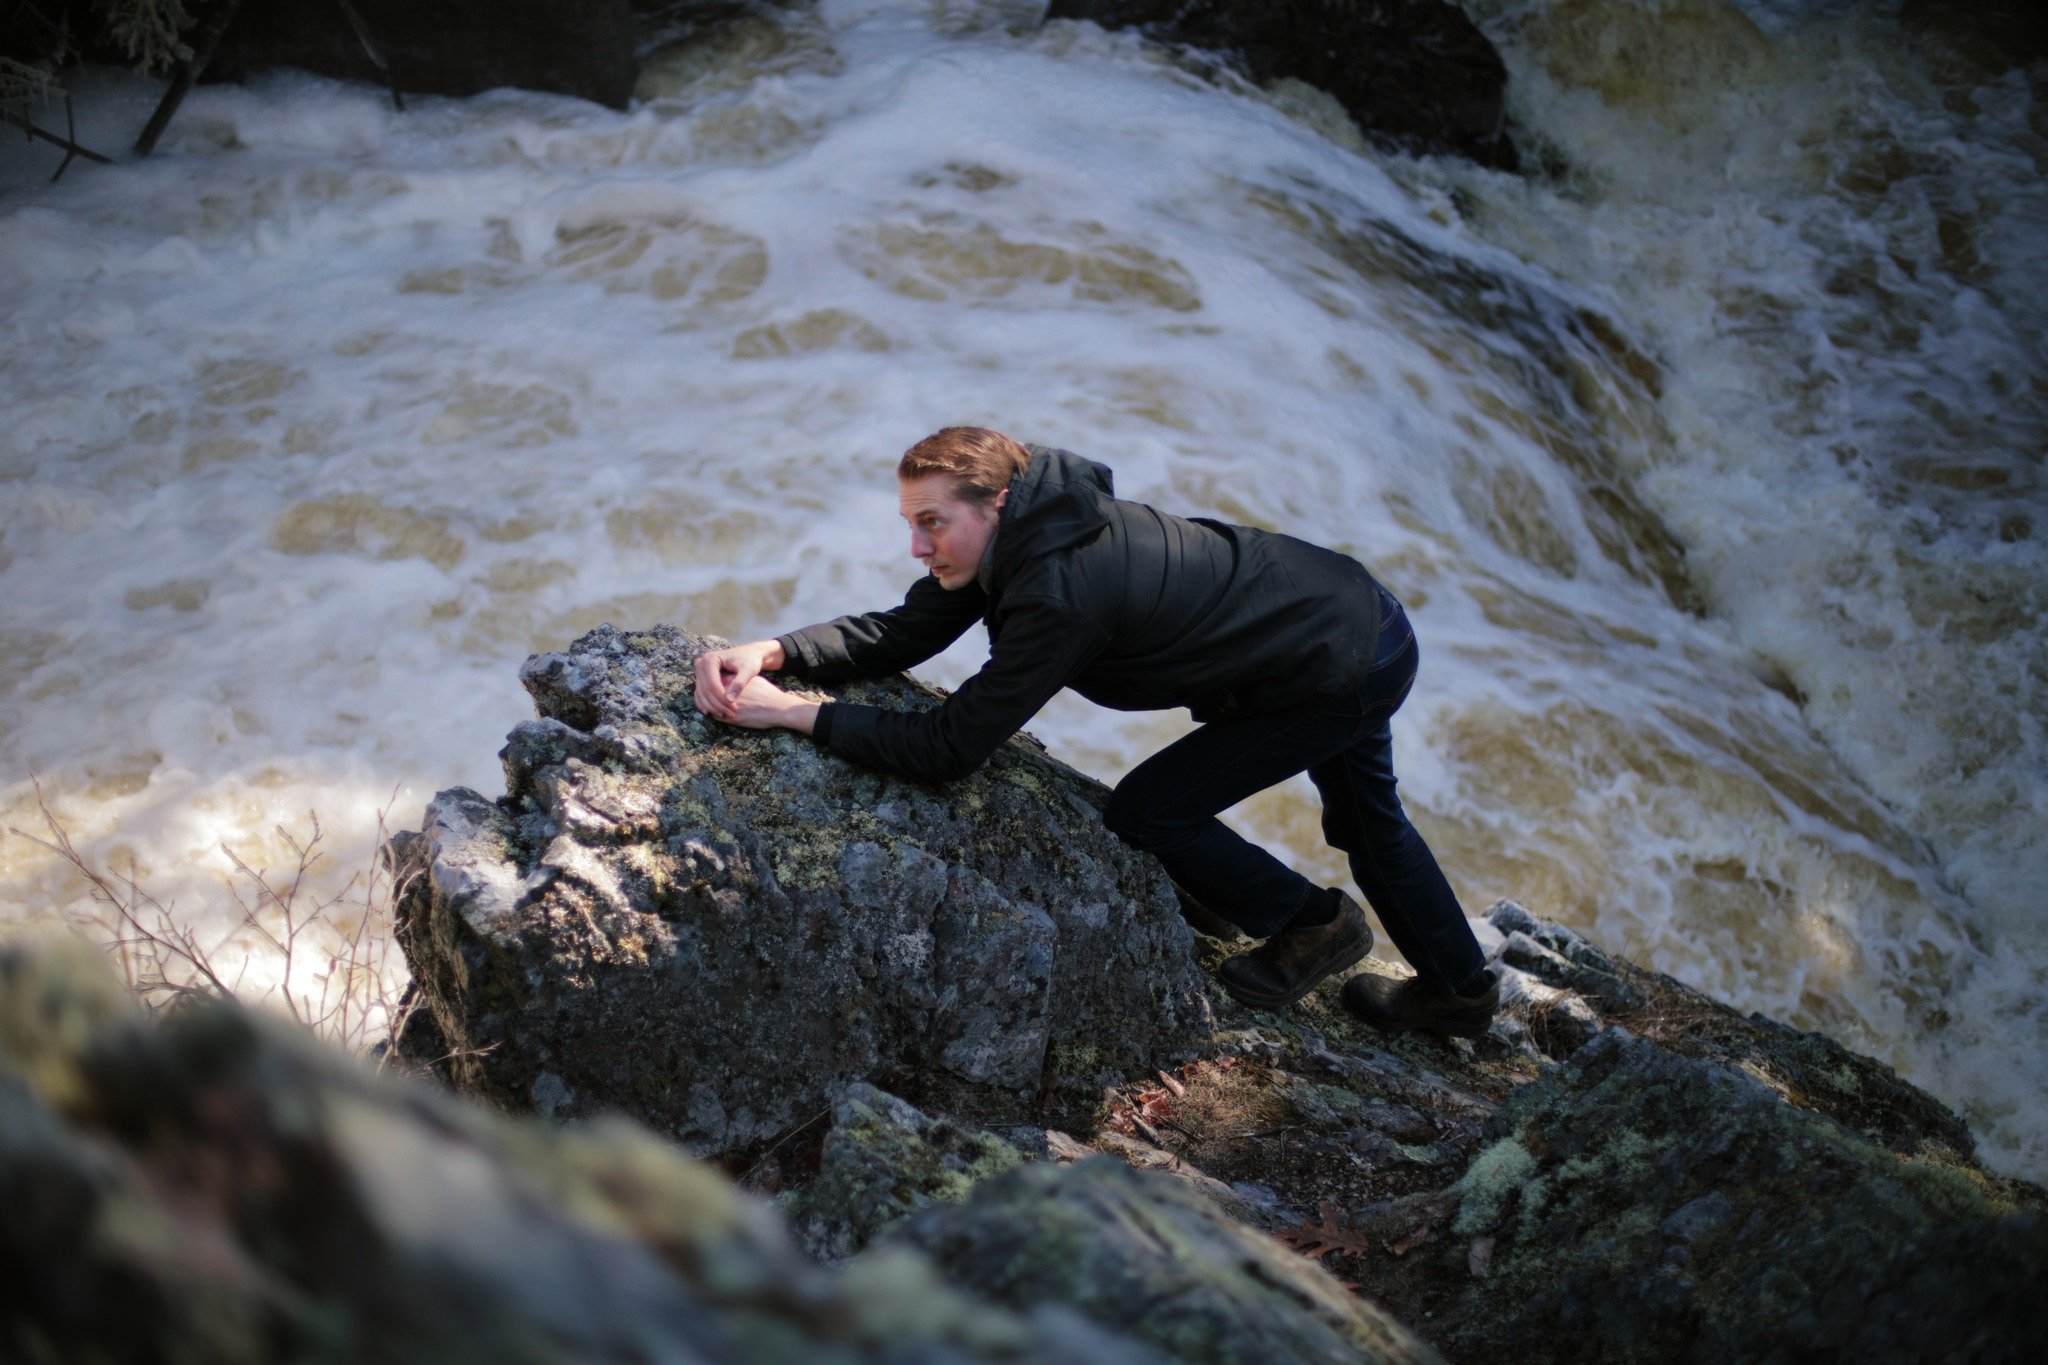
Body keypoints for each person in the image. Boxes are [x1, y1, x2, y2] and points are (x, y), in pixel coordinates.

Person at [692, 427, 1499, 1037]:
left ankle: (1315, 925)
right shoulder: (1031, 523)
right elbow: (903, 630)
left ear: (994, 503)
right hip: (1344, 612)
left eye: (932, 522)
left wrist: (791, 712)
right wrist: (776, 650)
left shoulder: (1059, 590)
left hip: (1340, 660)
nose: (917, 545)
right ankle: (1460, 991)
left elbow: (949, 747)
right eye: (911, 523)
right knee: (1367, 819)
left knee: (1151, 812)